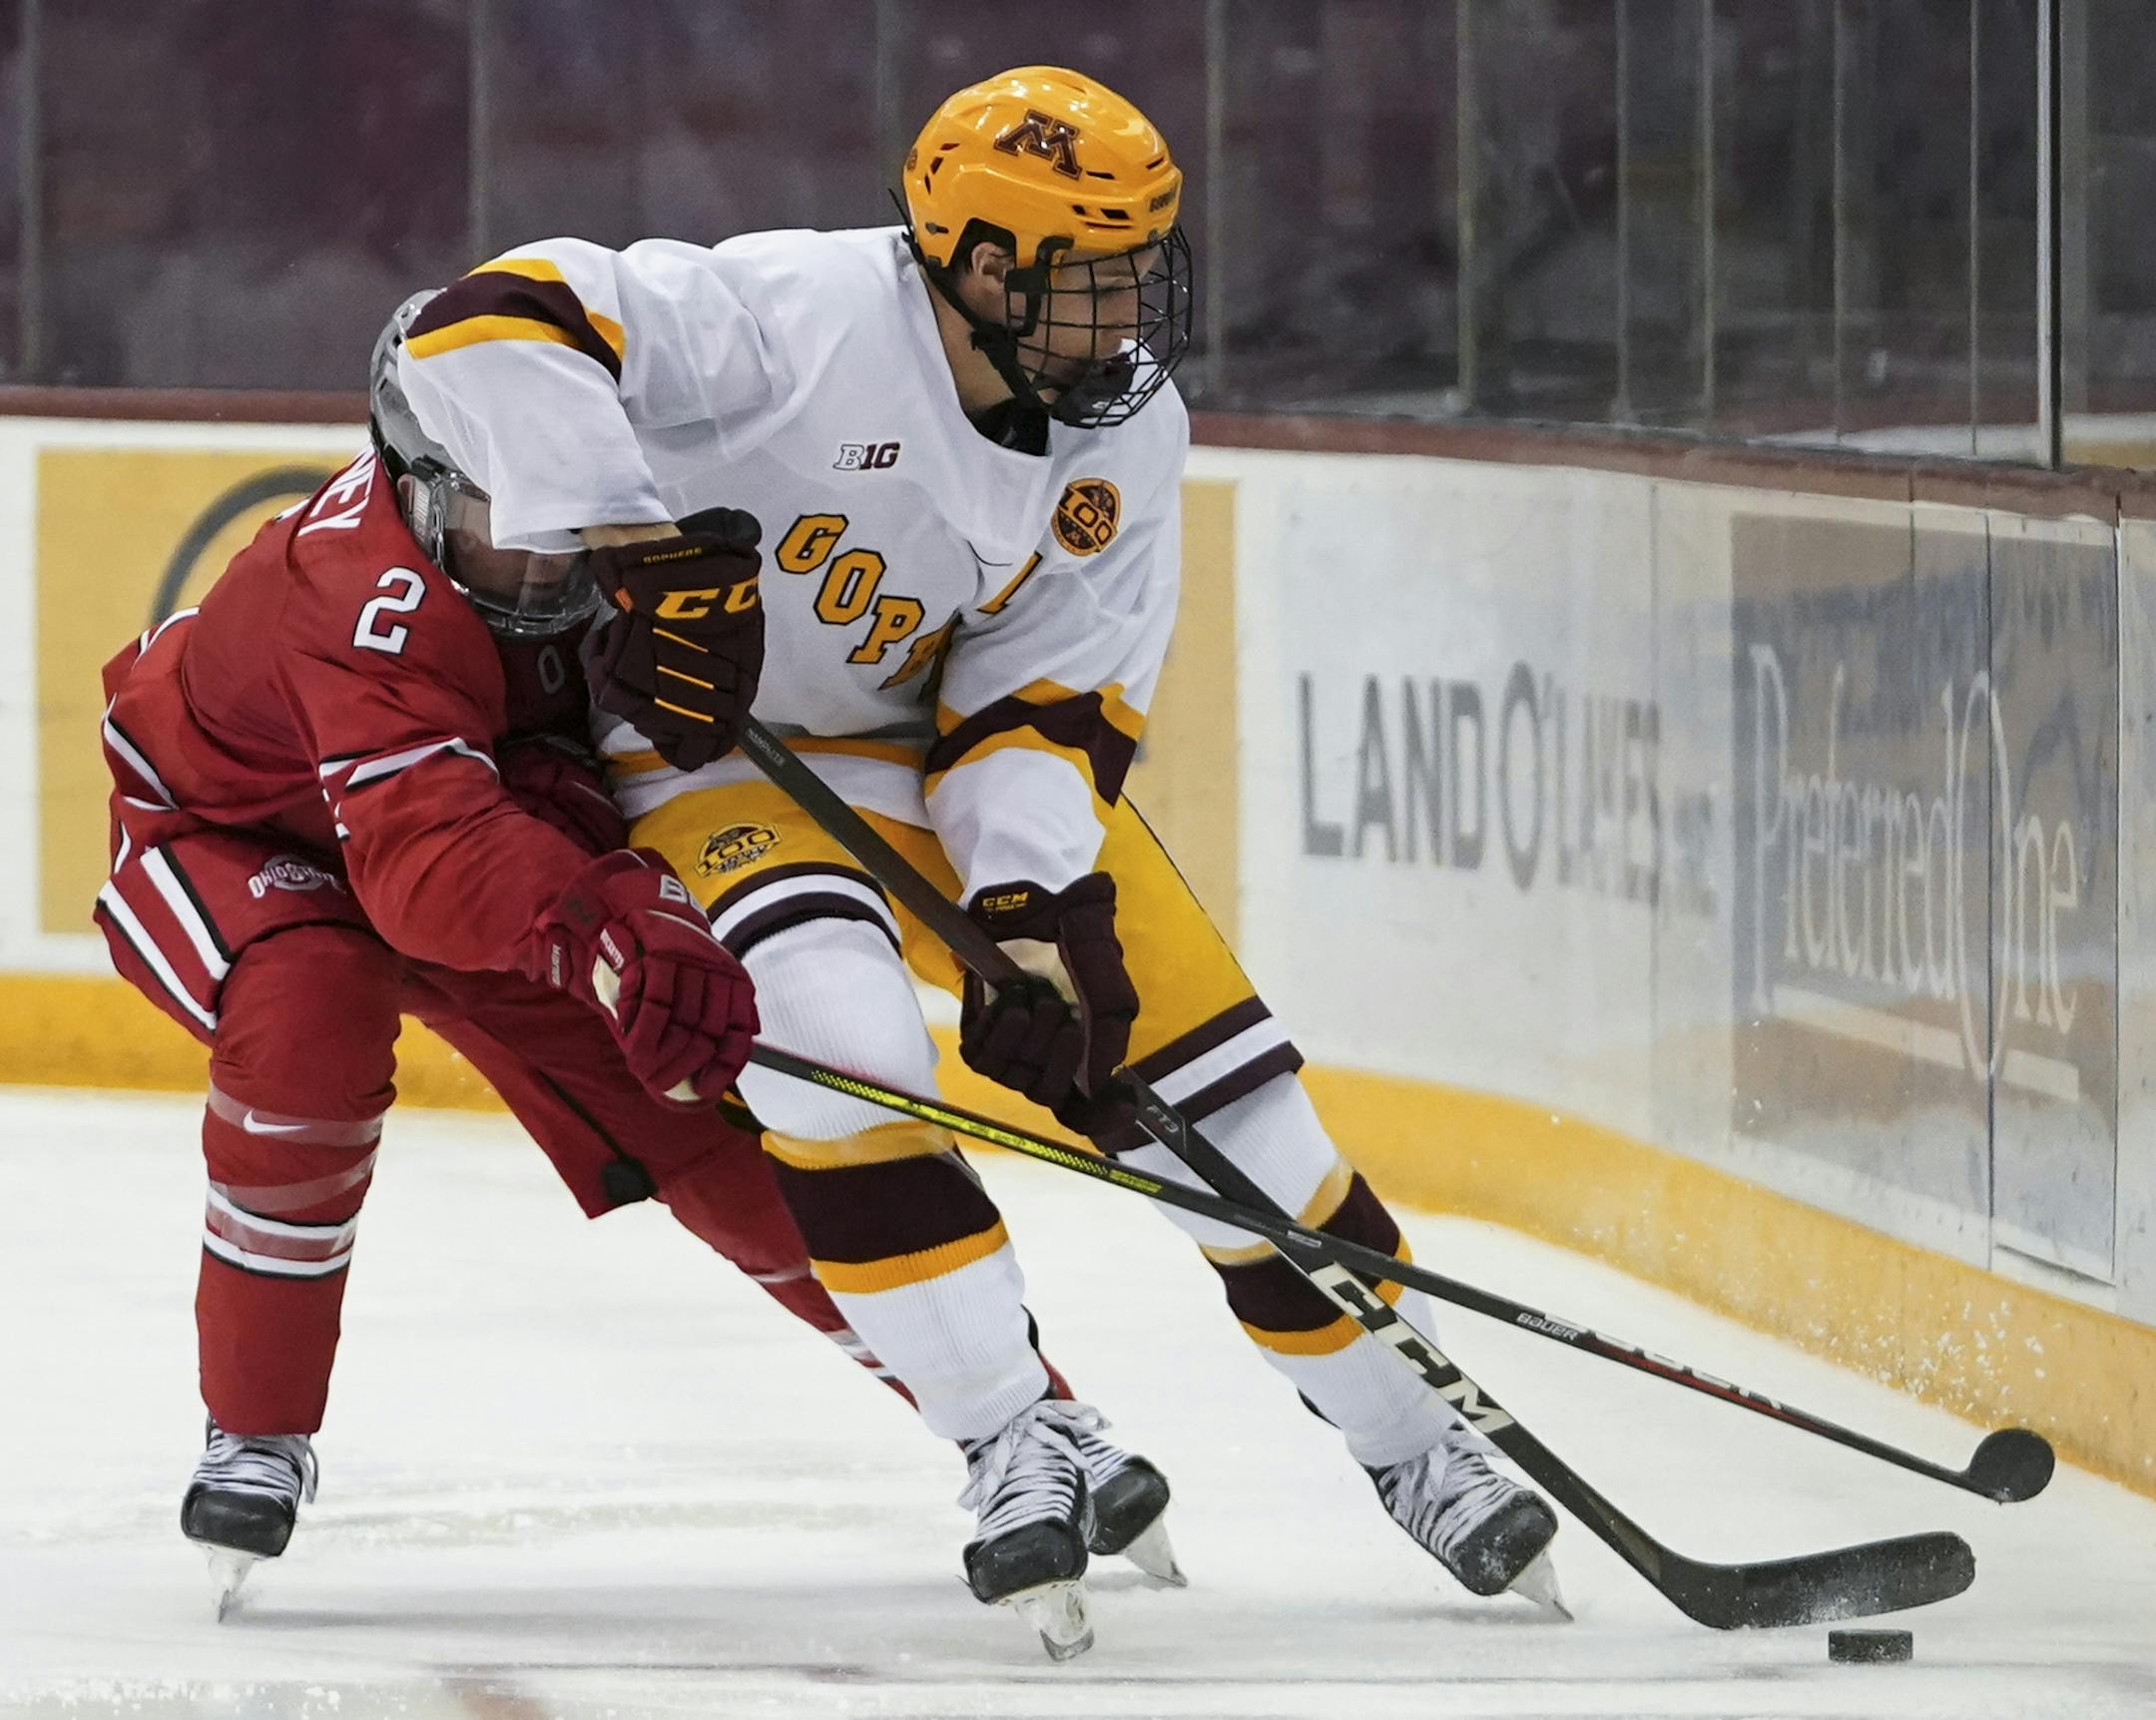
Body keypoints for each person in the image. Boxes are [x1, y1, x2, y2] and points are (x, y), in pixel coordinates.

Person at [394, 65, 1561, 1659]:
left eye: (1145, 268)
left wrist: (1023, 912)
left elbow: (1048, 698)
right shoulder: (792, 316)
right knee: (831, 1060)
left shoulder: (1127, 430)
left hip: (940, 770)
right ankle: (1010, 1432)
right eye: (1096, 279)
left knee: (1234, 1122)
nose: (1134, 315)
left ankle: (1416, 1439)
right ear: (985, 267)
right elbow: (477, 319)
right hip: (722, 763)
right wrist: (630, 550)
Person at [92, 294, 1172, 1615]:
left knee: (710, 1107)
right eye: (504, 521)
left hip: (497, 848)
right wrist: (615, 917)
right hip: (237, 833)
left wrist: (654, 916)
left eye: (561, 519)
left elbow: (606, 789)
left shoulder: (631, 542)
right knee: (311, 1013)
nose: (546, 563)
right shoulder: (361, 594)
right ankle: (254, 1428)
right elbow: (423, 854)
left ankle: (1020, 1423)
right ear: (419, 490)